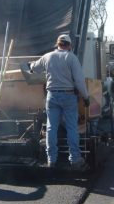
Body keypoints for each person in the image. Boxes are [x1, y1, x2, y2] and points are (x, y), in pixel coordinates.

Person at [29, 34, 90, 169]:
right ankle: (75, 159)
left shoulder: (48, 56)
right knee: (71, 128)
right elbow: (79, 81)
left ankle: (51, 159)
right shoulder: (71, 58)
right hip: (68, 96)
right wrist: (86, 97)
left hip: (52, 96)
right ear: (69, 46)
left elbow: (34, 68)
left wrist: (30, 65)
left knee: (51, 128)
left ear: (58, 44)